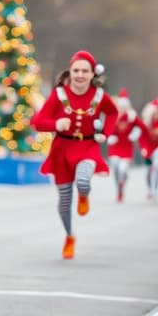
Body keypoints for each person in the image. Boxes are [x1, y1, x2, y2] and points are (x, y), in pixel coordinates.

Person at [31, 50, 118, 260]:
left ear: (92, 74)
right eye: (76, 70)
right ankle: (69, 236)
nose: (80, 75)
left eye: (84, 71)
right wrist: (56, 124)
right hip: (62, 150)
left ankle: (84, 194)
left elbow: (113, 113)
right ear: (70, 72)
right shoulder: (59, 95)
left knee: (83, 180)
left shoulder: (99, 96)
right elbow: (38, 122)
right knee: (63, 202)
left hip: (87, 147)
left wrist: (104, 134)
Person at [106, 88, 144, 203]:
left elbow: (141, 127)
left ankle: (123, 183)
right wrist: (109, 136)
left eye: (124, 107)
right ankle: (119, 187)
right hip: (115, 147)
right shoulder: (113, 115)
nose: (122, 109)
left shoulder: (131, 117)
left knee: (123, 169)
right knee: (115, 167)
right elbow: (106, 128)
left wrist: (135, 133)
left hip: (126, 148)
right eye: (120, 107)